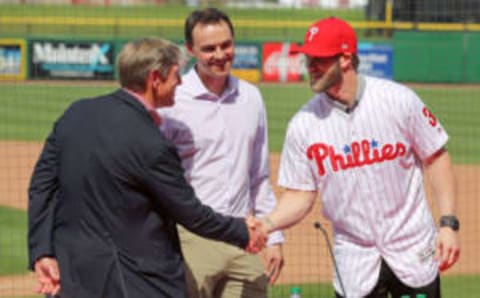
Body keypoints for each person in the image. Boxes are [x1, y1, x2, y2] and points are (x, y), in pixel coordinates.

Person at [27, 37, 267, 298]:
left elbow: (41, 186)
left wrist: (42, 251)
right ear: (155, 78)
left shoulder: (76, 113)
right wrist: (242, 231)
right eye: (176, 75)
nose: (180, 82)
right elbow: (189, 212)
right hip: (134, 282)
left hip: (74, 276)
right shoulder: (151, 143)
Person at [259, 17, 460, 298]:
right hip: (355, 260)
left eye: (319, 59)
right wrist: (267, 224)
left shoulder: (398, 100)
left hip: (414, 249)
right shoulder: (303, 125)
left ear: (344, 59)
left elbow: (436, 157)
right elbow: (300, 195)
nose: (309, 67)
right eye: (308, 59)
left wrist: (448, 224)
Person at [158, 8, 284, 298]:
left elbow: (258, 175)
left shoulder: (251, 97)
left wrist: (274, 236)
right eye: (209, 48)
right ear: (190, 50)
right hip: (191, 237)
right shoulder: (173, 99)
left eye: (226, 45)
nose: (220, 54)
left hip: (242, 234)